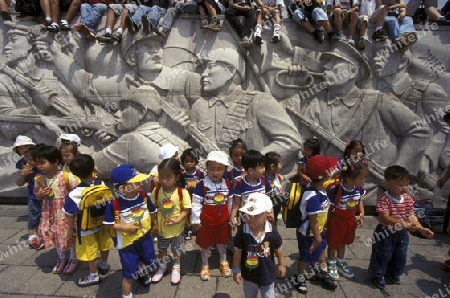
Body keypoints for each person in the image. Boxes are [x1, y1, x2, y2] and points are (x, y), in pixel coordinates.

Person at [303, 41, 430, 183]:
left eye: (335, 62)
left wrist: (398, 172)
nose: (326, 67)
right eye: (327, 62)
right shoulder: (316, 104)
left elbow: (419, 130)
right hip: (333, 189)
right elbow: (304, 143)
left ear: (352, 72)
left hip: (373, 190)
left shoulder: (377, 100)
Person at [186, 48, 302, 173]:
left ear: (230, 71)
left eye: (211, 66)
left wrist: (253, 166)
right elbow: (191, 150)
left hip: (249, 184)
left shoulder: (258, 101)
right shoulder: (199, 107)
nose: (204, 73)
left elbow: (291, 141)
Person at [368, 165, 434, 289]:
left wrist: (420, 228)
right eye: (401, 184)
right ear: (388, 183)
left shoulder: (408, 199)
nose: (404, 188)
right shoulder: (384, 199)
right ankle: (378, 275)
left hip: (402, 233)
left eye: (406, 184)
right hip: (385, 232)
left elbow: (411, 215)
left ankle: (393, 273)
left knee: (401, 254)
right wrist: (404, 224)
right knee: (383, 254)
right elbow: (386, 217)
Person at [103, 164, 156, 298]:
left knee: (146, 258)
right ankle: (126, 294)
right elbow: (109, 225)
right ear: (123, 188)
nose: (141, 183)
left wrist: (154, 224)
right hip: (127, 243)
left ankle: (141, 273)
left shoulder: (143, 195)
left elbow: (152, 210)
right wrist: (126, 227)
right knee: (128, 271)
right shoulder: (114, 204)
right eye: (136, 181)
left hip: (144, 237)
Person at [63, 154, 113, 287]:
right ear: (93, 169)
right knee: (104, 245)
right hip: (102, 224)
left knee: (90, 252)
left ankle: (93, 275)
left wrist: (68, 232)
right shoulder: (101, 183)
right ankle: (104, 264)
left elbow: (70, 214)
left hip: (86, 229)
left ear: (75, 174)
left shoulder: (74, 193)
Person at [294, 155, 339, 294]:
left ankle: (322, 271)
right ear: (326, 175)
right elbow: (313, 219)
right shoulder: (313, 196)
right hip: (309, 234)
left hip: (318, 231)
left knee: (321, 251)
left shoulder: (319, 189)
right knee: (305, 256)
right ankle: (299, 277)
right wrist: (318, 237)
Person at [34, 145, 79, 274]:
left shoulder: (67, 176)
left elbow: (76, 193)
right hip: (49, 213)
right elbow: (36, 195)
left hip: (65, 213)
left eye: (42, 162)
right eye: (37, 163)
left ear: (55, 161)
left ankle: (73, 258)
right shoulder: (39, 179)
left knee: (69, 236)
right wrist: (40, 194)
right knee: (55, 237)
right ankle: (61, 259)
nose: (39, 166)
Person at [232, 192, 286, 298]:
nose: (250, 218)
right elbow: (237, 251)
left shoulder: (271, 231)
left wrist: (282, 264)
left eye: (256, 215)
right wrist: (236, 270)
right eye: (248, 214)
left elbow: (278, 249)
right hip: (248, 276)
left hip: (267, 275)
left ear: (267, 215)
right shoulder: (243, 231)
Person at [191, 151, 233, 281]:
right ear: (207, 169)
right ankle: (204, 264)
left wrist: (232, 217)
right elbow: (196, 202)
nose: (215, 172)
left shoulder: (227, 184)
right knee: (205, 244)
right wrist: (196, 219)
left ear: (225, 169)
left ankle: (223, 261)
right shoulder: (202, 185)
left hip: (223, 221)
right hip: (206, 222)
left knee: (223, 242)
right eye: (212, 169)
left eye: (219, 169)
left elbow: (231, 201)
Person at [150, 158, 191, 285]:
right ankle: (162, 267)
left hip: (177, 229)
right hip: (162, 229)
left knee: (177, 250)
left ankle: (176, 267)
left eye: (168, 177)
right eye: (161, 177)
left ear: (177, 177)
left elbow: (186, 209)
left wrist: (178, 219)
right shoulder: (156, 191)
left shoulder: (181, 192)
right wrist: (155, 224)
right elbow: (153, 209)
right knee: (162, 249)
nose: (164, 180)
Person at [326, 160, 366, 280]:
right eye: (362, 178)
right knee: (333, 243)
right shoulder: (337, 190)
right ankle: (331, 262)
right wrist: (325, 223)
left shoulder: (358, 189)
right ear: (349, 179)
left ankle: (340, 261)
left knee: (343, 242)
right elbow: (330, 207)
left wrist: (362, 213)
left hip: (349, 220)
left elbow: (359, 201)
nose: (364, 181)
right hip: (336, 220)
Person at [230, 150, 273, 227]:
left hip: (262, 218)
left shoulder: (264, 181)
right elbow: (236, 203)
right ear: (250, 170)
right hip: (247, 220)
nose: (264, 169)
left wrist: (271, 212)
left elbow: (268, 199)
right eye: (261, 167)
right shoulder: (240, 184)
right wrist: (232, 217)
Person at [16, 144, 45, 250]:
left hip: (46, 198)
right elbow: (19, 183)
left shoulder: (45, 168)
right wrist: (22, 175)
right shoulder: (28, 170)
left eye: (32, 159)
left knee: (45, 217)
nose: (29, 162)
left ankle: (43, 236)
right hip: (33, 197)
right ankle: (32, 237)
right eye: (28, 159)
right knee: (33, 216)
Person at [180, 148, 204, 240]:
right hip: (187, 197)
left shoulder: (199, 173)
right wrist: (186, 186)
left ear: (196, 161)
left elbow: (204, 182)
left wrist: (197, 183)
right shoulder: (182, 174)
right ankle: (188, 229)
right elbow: (180, 185)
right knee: (187, 212)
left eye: (191, 161)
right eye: (186, 161)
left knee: (198, 211)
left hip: (196, 197)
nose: (189, 163)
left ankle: (199, 228)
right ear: (183, 162)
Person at [263, 151, 284, 226]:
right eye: (280, 164)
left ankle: (274, 231)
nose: (281, 166)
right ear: (272, 167)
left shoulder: (278, 176)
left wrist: (283, 195)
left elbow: (281, 188)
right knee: (267, 220)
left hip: (277, 202)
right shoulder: (262, 178)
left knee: (275, 219)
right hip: (268, 203)